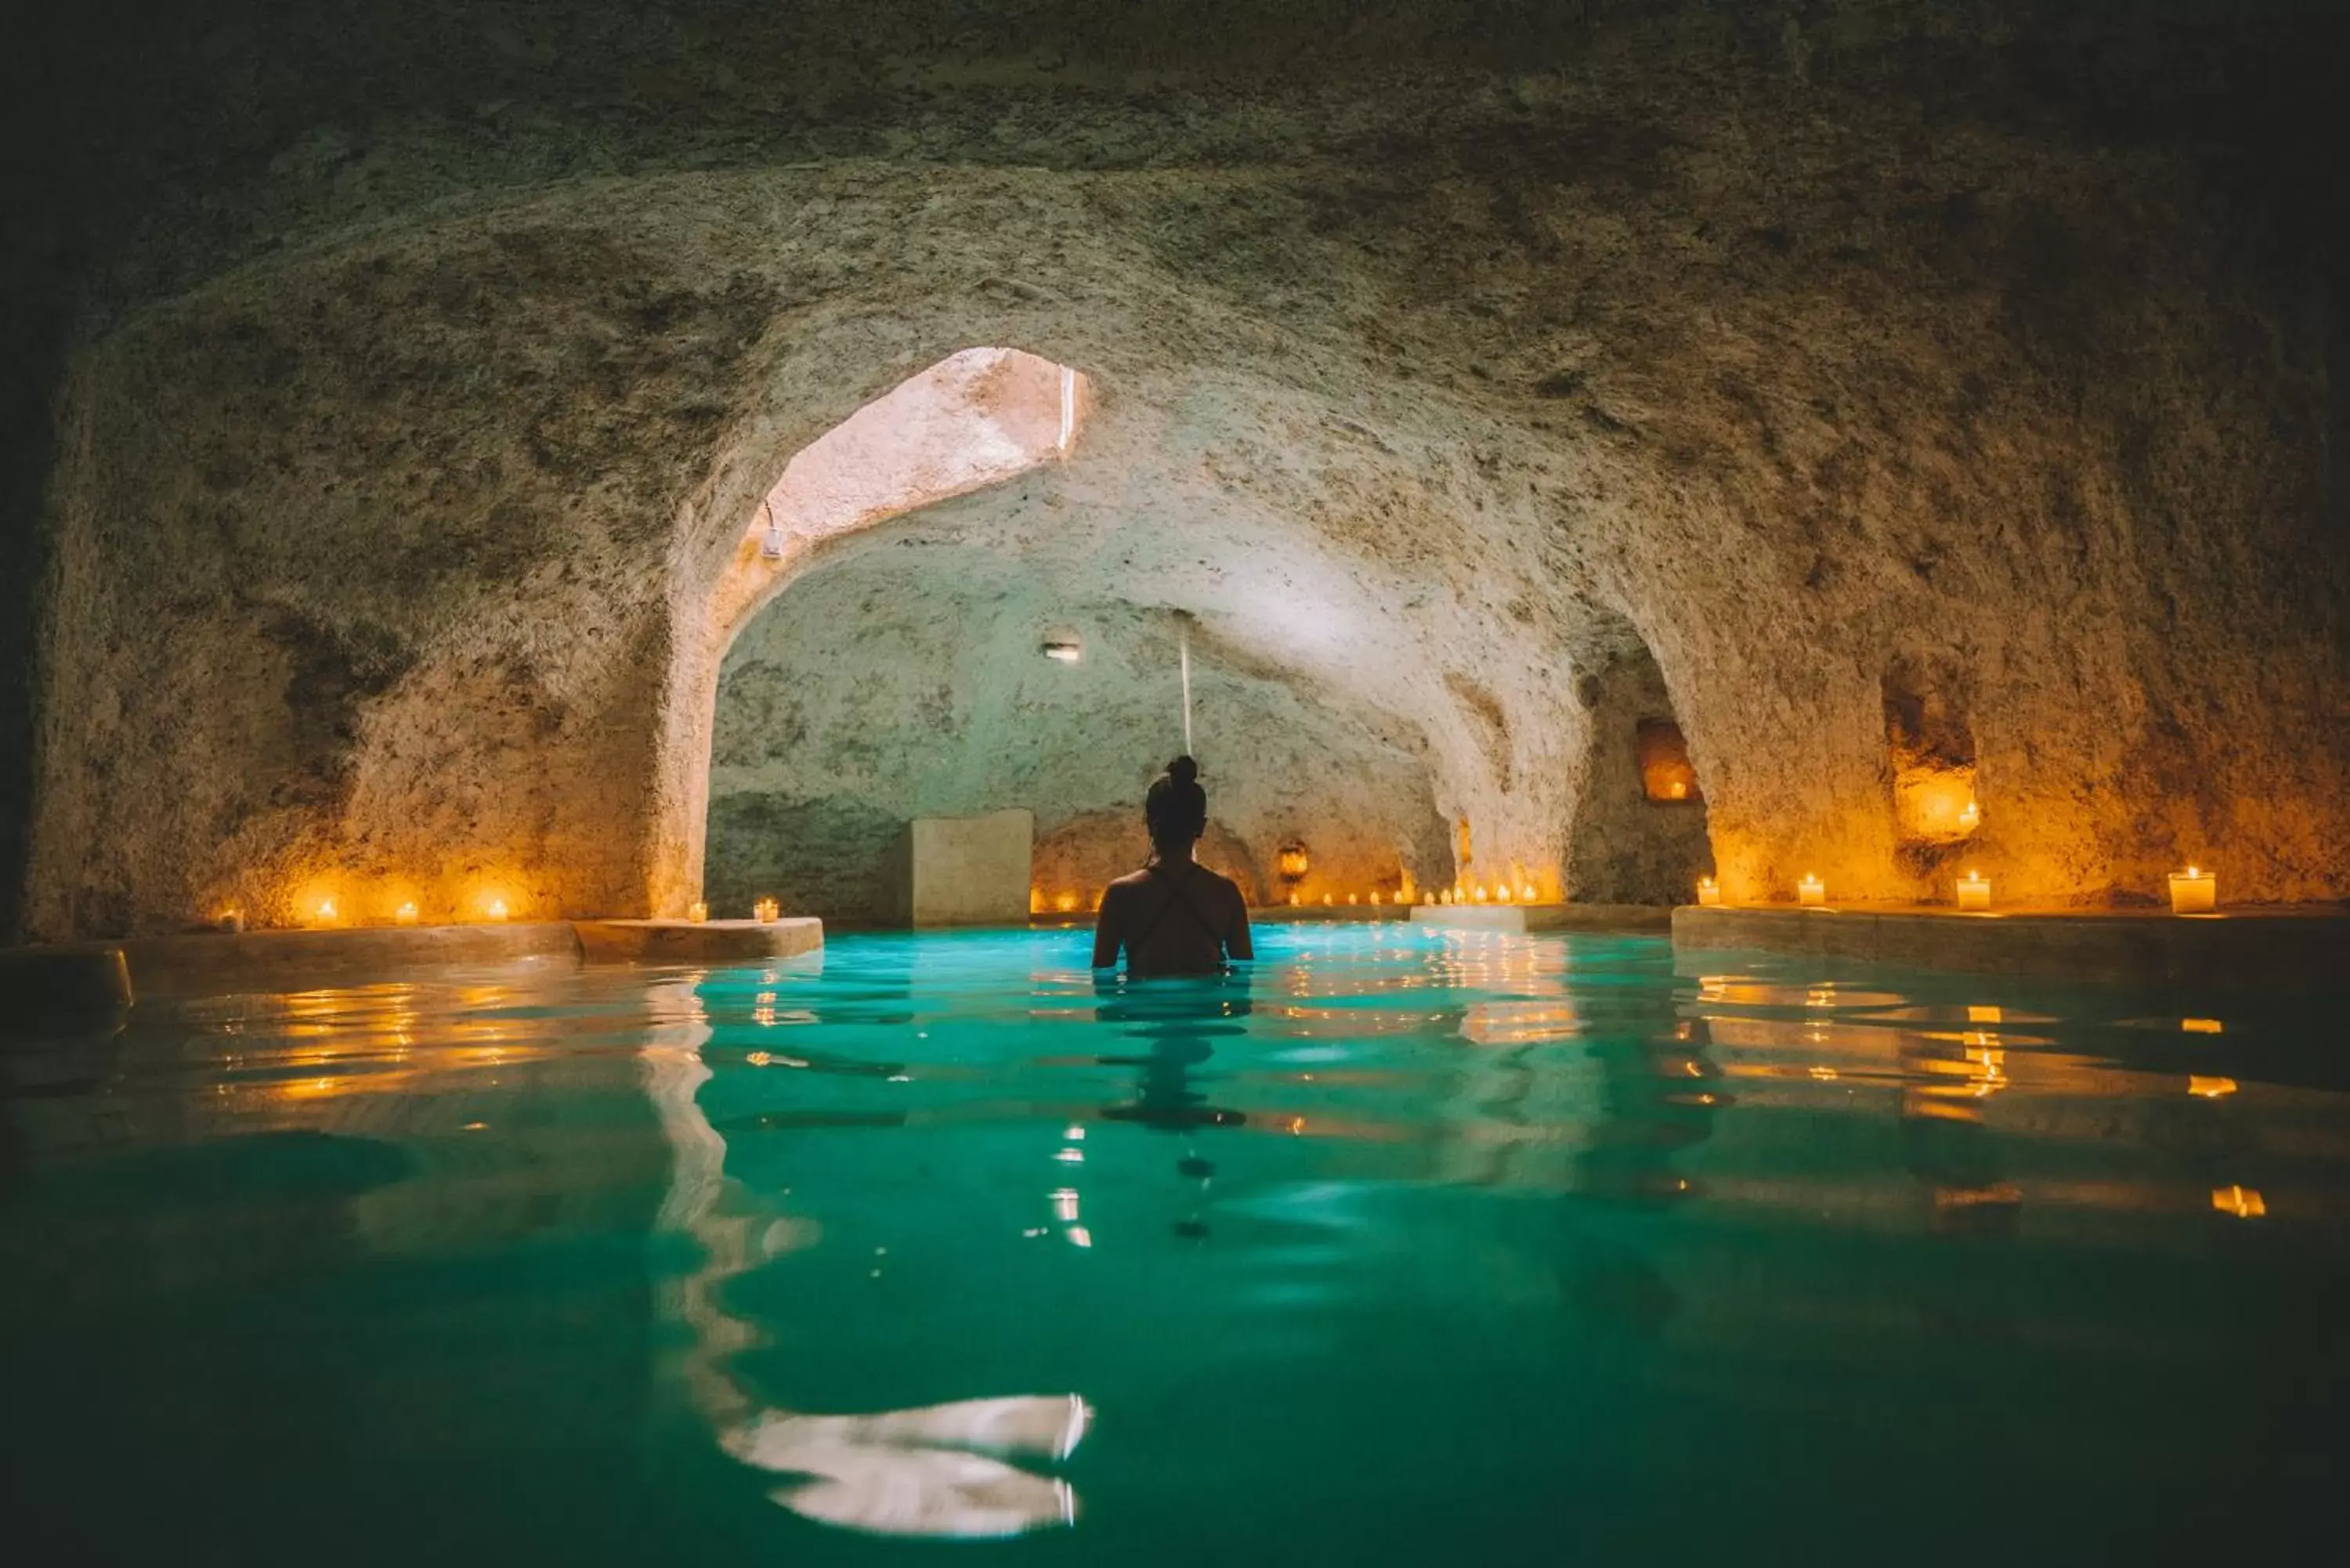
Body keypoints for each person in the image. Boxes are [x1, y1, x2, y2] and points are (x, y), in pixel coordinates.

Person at [1090, 756, 1253, 976]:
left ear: (1148, 822)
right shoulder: (1226, 893)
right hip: (1206, 1010)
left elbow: (1102, 978)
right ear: (1201, 826)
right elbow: (1242, 984)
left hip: (1143, 1008)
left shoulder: (1120, 894)